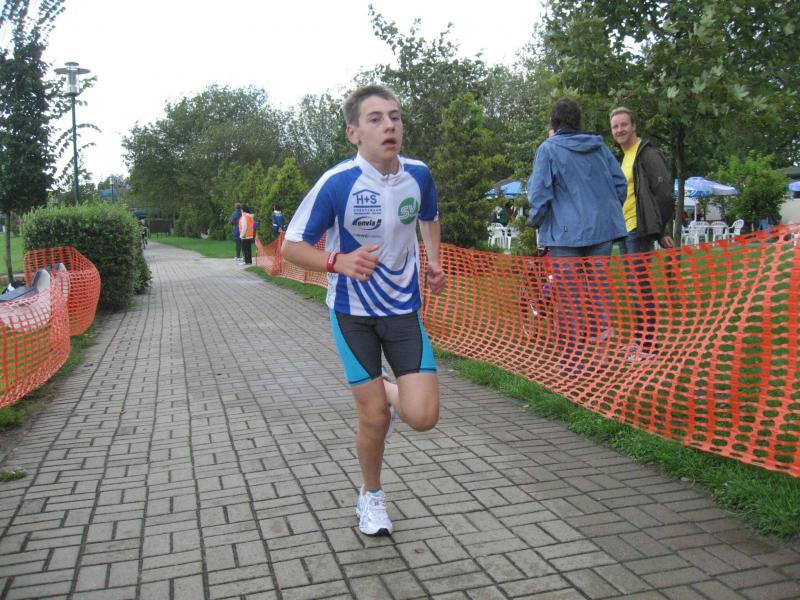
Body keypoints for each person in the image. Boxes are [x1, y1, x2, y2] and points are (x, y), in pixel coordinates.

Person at [281, 84, 446, 537]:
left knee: (423, 417)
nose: (389, 125)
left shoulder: (418, 175)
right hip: (351, 312)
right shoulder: (337, 183)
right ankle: (371, 496)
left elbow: (429, 216)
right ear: (354, 133)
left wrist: (434, 259)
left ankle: (390, 391)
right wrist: (336, 261)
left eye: (395, 116)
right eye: (375, 119)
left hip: (403, 310)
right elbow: (291, 246)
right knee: (373, 416)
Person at [527, 97, 627, 368]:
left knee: (569, 296)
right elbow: (620, 183)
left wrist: (535, 219)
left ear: (554, 122)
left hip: (565, 234)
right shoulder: (599, 147)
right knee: (599, 290)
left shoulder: (548, 149)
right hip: (602, 230)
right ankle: (603, 356)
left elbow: (539, 194)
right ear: (578, 121)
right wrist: (605, 211)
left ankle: (573, 360)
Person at [609, 107, 674, 359]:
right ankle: (640, 340)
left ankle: (649, 346)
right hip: (625, 229)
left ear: (634, 126)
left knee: (641, 287)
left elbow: (664, 192)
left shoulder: (647, 153)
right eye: (615, 126)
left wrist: (660, 229)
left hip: (640, 228)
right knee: (634, 287)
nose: (620, 130)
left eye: (624, 124)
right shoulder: (625, 156)